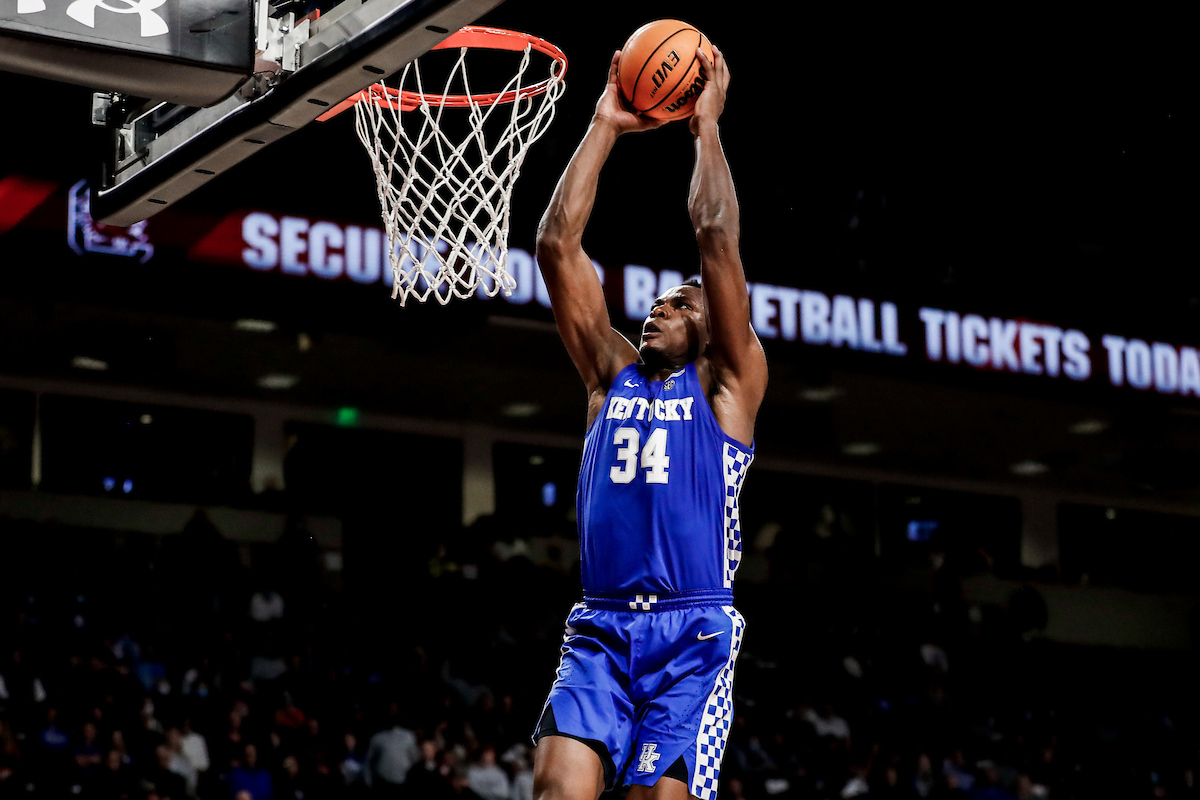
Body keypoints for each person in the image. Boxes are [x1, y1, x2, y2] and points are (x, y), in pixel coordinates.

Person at [531, 43, 767, 800]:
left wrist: (706, 128)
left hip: (692, 635)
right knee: (556, 791)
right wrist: (604, 123)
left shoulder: (728, 385)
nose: (660, 308)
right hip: (601, 628)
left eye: (682, 303)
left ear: (714, 324)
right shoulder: (611, 376)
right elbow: (556, 245)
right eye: (658, 302)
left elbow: (716, 237)